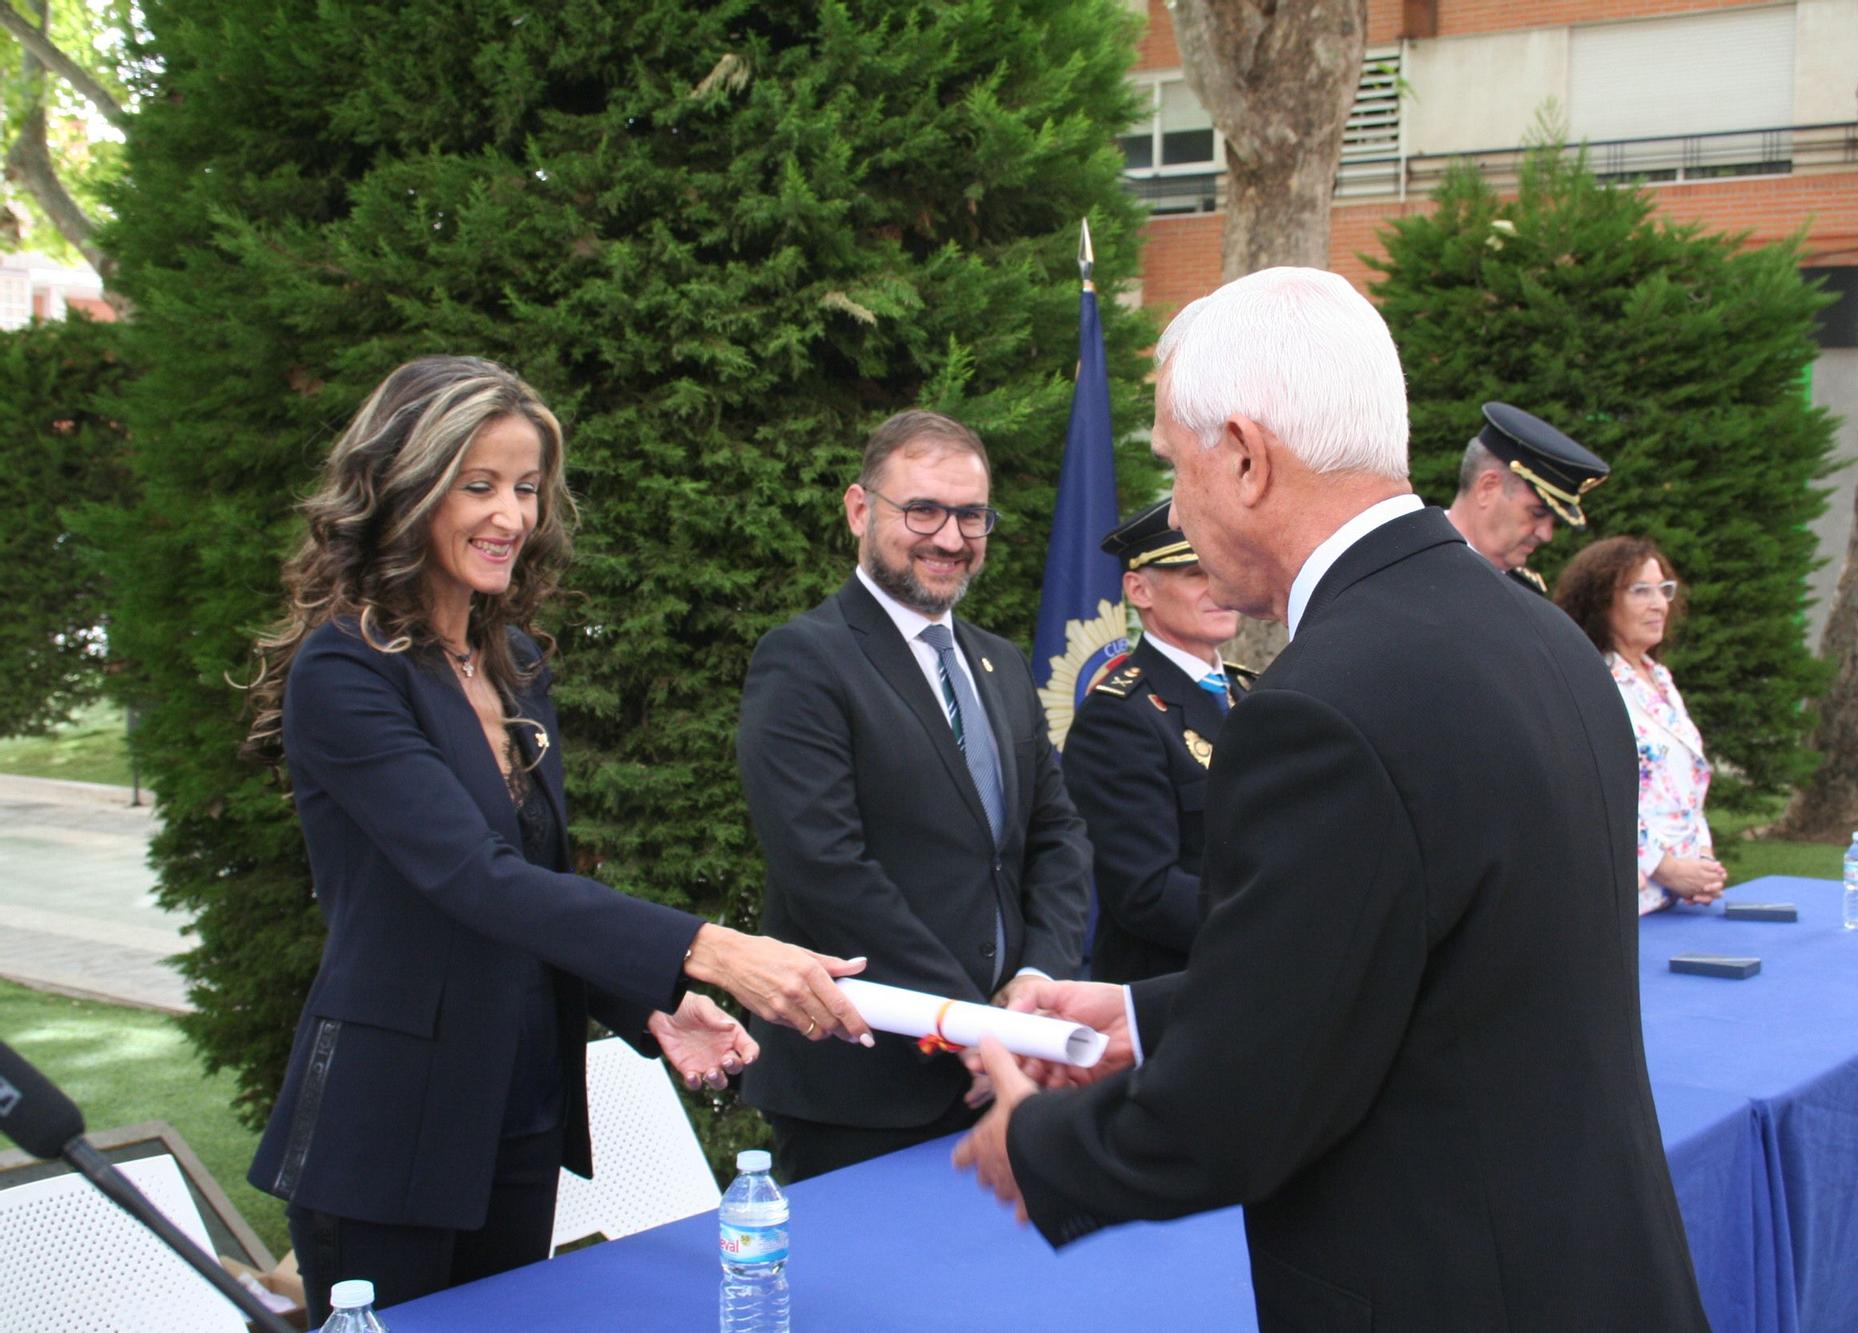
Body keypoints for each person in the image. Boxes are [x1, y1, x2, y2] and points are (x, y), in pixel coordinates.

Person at [952, 269, 1706, 1330]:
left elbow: (1246, 1103)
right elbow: (1425, 964)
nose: (1172, 508)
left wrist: (1037, 1147)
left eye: (1175, 467)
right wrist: (1137, 1013)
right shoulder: (1538, 638)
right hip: (1585, 1267)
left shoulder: (1324, 701)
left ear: (1248, 459)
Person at [241, 356, 871, 1324]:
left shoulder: (513, 661)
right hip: (391, 1122)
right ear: (405, 488)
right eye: (478, 484)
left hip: (521, 1103)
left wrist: (647, 1007)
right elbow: (472, 878)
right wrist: (712, 950)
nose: (510, 515)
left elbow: (536, 879)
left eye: (526, 488)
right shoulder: (346, 669)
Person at [735, 409, 1092, 1182]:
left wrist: (1035, 983)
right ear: (860, 510)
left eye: (971, 515)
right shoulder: (804, 661)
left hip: (999, 1066)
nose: (951, 537)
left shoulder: (998, 662)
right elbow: (827, 869)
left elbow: (1057, 836)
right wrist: (972, 1021)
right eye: (923, 509)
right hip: (860, 1094)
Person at [1062, 498, 1254, 982]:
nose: (1217, 589)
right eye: (1195, 574)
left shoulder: (1248, 691)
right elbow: (1145, 892)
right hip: (1173, 990)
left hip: (1254, 975)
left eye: (1220, 568)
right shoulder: (1118, 715)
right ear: (1139, 589)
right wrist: (1274, 922)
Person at [1554, 536, 1728, 913]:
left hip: (1679, 902)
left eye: (1664, 589)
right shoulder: (1591, 682)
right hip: (1626, 902)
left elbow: (1688, 784)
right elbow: (1593, 794)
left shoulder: (1659, 677)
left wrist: (1702, 863)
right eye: (1640, 591)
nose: (1659, 604)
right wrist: (1667, 869)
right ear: (1600, 602)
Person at [1444, 401, 1610, 594]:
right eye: (1537, 513)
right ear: (1487, 487)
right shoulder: (1410, 565)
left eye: (1553, 522)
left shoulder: (1526, 592)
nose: (1546, 535)